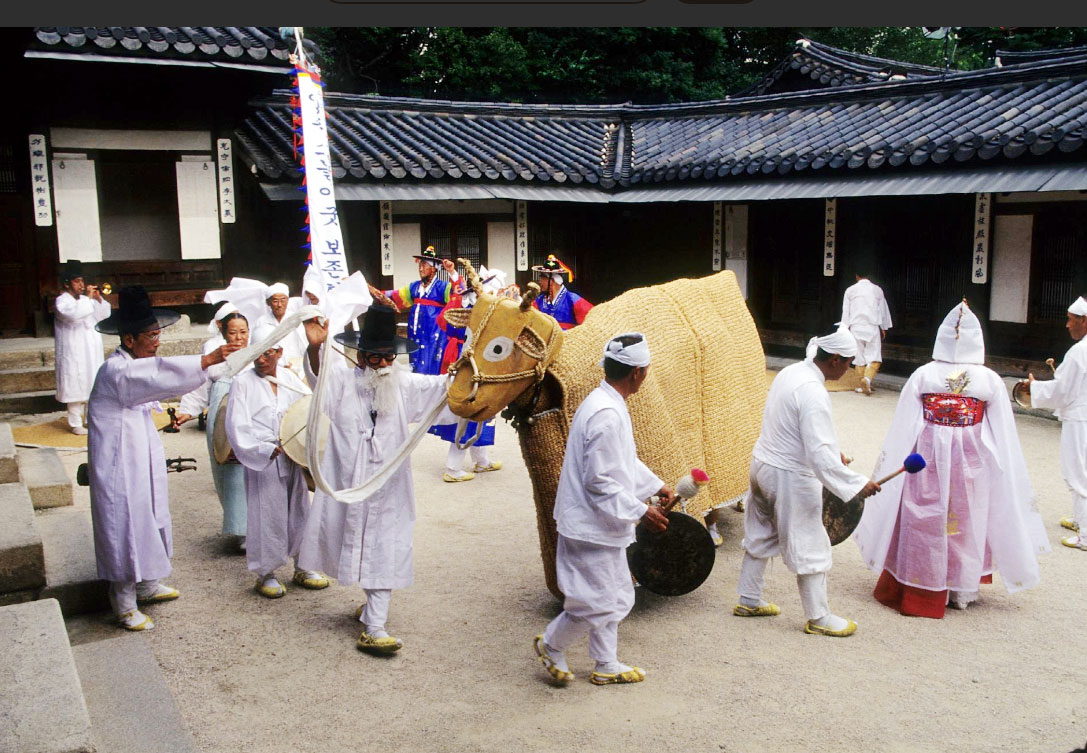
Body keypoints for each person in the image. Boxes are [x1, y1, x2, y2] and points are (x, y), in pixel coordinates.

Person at [853, 301, 1049, 617]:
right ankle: (958, 588)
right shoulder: (988, 378)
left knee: (926, 515)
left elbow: (904, 422)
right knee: (966, 515)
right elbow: (1001, 428)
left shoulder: (923, 373)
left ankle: (932, 584)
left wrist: (902, 455)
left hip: (928, 449)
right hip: (971, 453)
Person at [296, 305, 449, 655]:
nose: (384, 366)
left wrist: (471, 365)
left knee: (387, 546)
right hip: (349, 484)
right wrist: (316, 349)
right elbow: (318, 380)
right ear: (362, 356)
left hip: (389, 486)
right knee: (350, 542)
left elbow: (444, 389)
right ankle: (370, 610)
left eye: (389, 358)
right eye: (377, 358)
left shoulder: (403, 384)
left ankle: (375, 625)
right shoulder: (340, 383)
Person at [88, 286, 239, 631]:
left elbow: (157, 380)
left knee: (152, 511)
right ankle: (123, 603)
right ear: (129, 337)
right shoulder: (117, 369)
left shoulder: (134, 364)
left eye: (158, 333)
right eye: (150, 335)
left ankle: (148, 583)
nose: (156, 341)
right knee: (125, 522)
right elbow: (159, 374)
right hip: (118, 464)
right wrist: (207, 360)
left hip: (140, 455)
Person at [534, 333, 673, 686]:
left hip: (595, 521)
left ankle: (605, 662)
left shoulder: (604, 403)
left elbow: (621, 462)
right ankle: (551, 644)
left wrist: (654, 485)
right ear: (638, 373)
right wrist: (640, 510)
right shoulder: (607, 413)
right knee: (595, 599)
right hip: (590, 524)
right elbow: (600, 480)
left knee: (615, 593)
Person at [734, 328, 880, 637]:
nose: (851, 369)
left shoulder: (791, 372)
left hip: (763, 464)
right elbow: (820, 454)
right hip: (789, 476)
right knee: (810, 541)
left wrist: (832, 456)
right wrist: (857, 485)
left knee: (761, 532)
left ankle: (749, 598)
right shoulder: (813, 391)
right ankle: (819, 617)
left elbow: (791, 427)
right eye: (850, 363)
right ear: (836, 359)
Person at [226, 321, 329, 598]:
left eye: (267, 354)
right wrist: (262, 449)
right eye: (257, 354)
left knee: (299, 512)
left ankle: (303, 565)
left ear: (279, 352)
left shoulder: (288, 378)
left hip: (291, 458)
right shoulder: (243, 383)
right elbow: (236, 426)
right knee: (267, 515)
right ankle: (266, 572)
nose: (261, 360)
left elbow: (309, 407)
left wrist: (301, 445)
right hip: (264, 461)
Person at [175, 303, 251, 552]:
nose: (238, 338)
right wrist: (187, 411)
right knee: (229, 470)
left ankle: (258, 527)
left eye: (243, 332)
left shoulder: (256, 351)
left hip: (250, 408)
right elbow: (200, 387)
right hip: (222, 409)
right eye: (233, 332)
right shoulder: (212, 351)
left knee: (254, 468)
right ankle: (240, 527)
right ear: (223, 332)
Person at [431, 264, 504, 482]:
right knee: (467, 412)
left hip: (468, 361)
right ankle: (453, 468)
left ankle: (481, 459)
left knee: (481, 412)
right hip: (467, 364)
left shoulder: (472, 304)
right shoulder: (474, 308)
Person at [1028, 296, 1087, 550]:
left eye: (1070, 319)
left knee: (1077, 472)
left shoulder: (1079, 352)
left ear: (1084, 320)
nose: (1067, 325)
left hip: (1080, 417)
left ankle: (1085, 532)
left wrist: (1034, 388)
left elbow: (1063, 391)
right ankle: (1080, 518)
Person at [54, 260, 112, 435]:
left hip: (91, 347)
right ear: (67, 284)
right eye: (76, 281)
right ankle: (75, 422)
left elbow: (104, 315)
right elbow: (73, 314)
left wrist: (99, 300)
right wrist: (88, 299)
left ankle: (90, 418)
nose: (81, 285)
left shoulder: (86, 300)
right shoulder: (62, 301)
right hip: (73, 348)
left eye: (82, 281)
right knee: (74, 380)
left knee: (92, 379)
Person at [386, 246, 460, 376]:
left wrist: (452, 272)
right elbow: (394, 296)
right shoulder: (414, 287)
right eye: (420, 264)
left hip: (435, 334)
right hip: (415, 335)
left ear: (434, 268)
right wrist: (370, 290)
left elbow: (459, 294)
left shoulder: (442, 287)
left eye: (424, 265)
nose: (420, 268)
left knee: (432, 366)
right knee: (415, 364)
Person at [840, 271, 892, 395]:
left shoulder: (850, 290)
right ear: (869, 275)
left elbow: (845, 311)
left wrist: (844, 328)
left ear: (856, 275)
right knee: (874, 355)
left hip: (856, 327)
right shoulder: (877, 290)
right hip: (872, 326)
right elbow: (883, 310)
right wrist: (883, 327)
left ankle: (861, 384)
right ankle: (867, 379)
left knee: (859, 356)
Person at [257, 282, 307, 375]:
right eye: (275, 301)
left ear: (288, 300)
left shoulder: (295, 319)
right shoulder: (261, 321)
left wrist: (298, 367)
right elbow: (258, 348)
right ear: (268, 302)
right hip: (272, 367)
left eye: (283, 300)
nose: (279, 305)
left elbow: (304, 345)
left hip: (297, 367)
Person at [531, 254, 593, 330]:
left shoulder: (573, 300)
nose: (539, 281)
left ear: (552, 280)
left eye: (542, 278)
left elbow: (591, 320)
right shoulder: (538, 300)